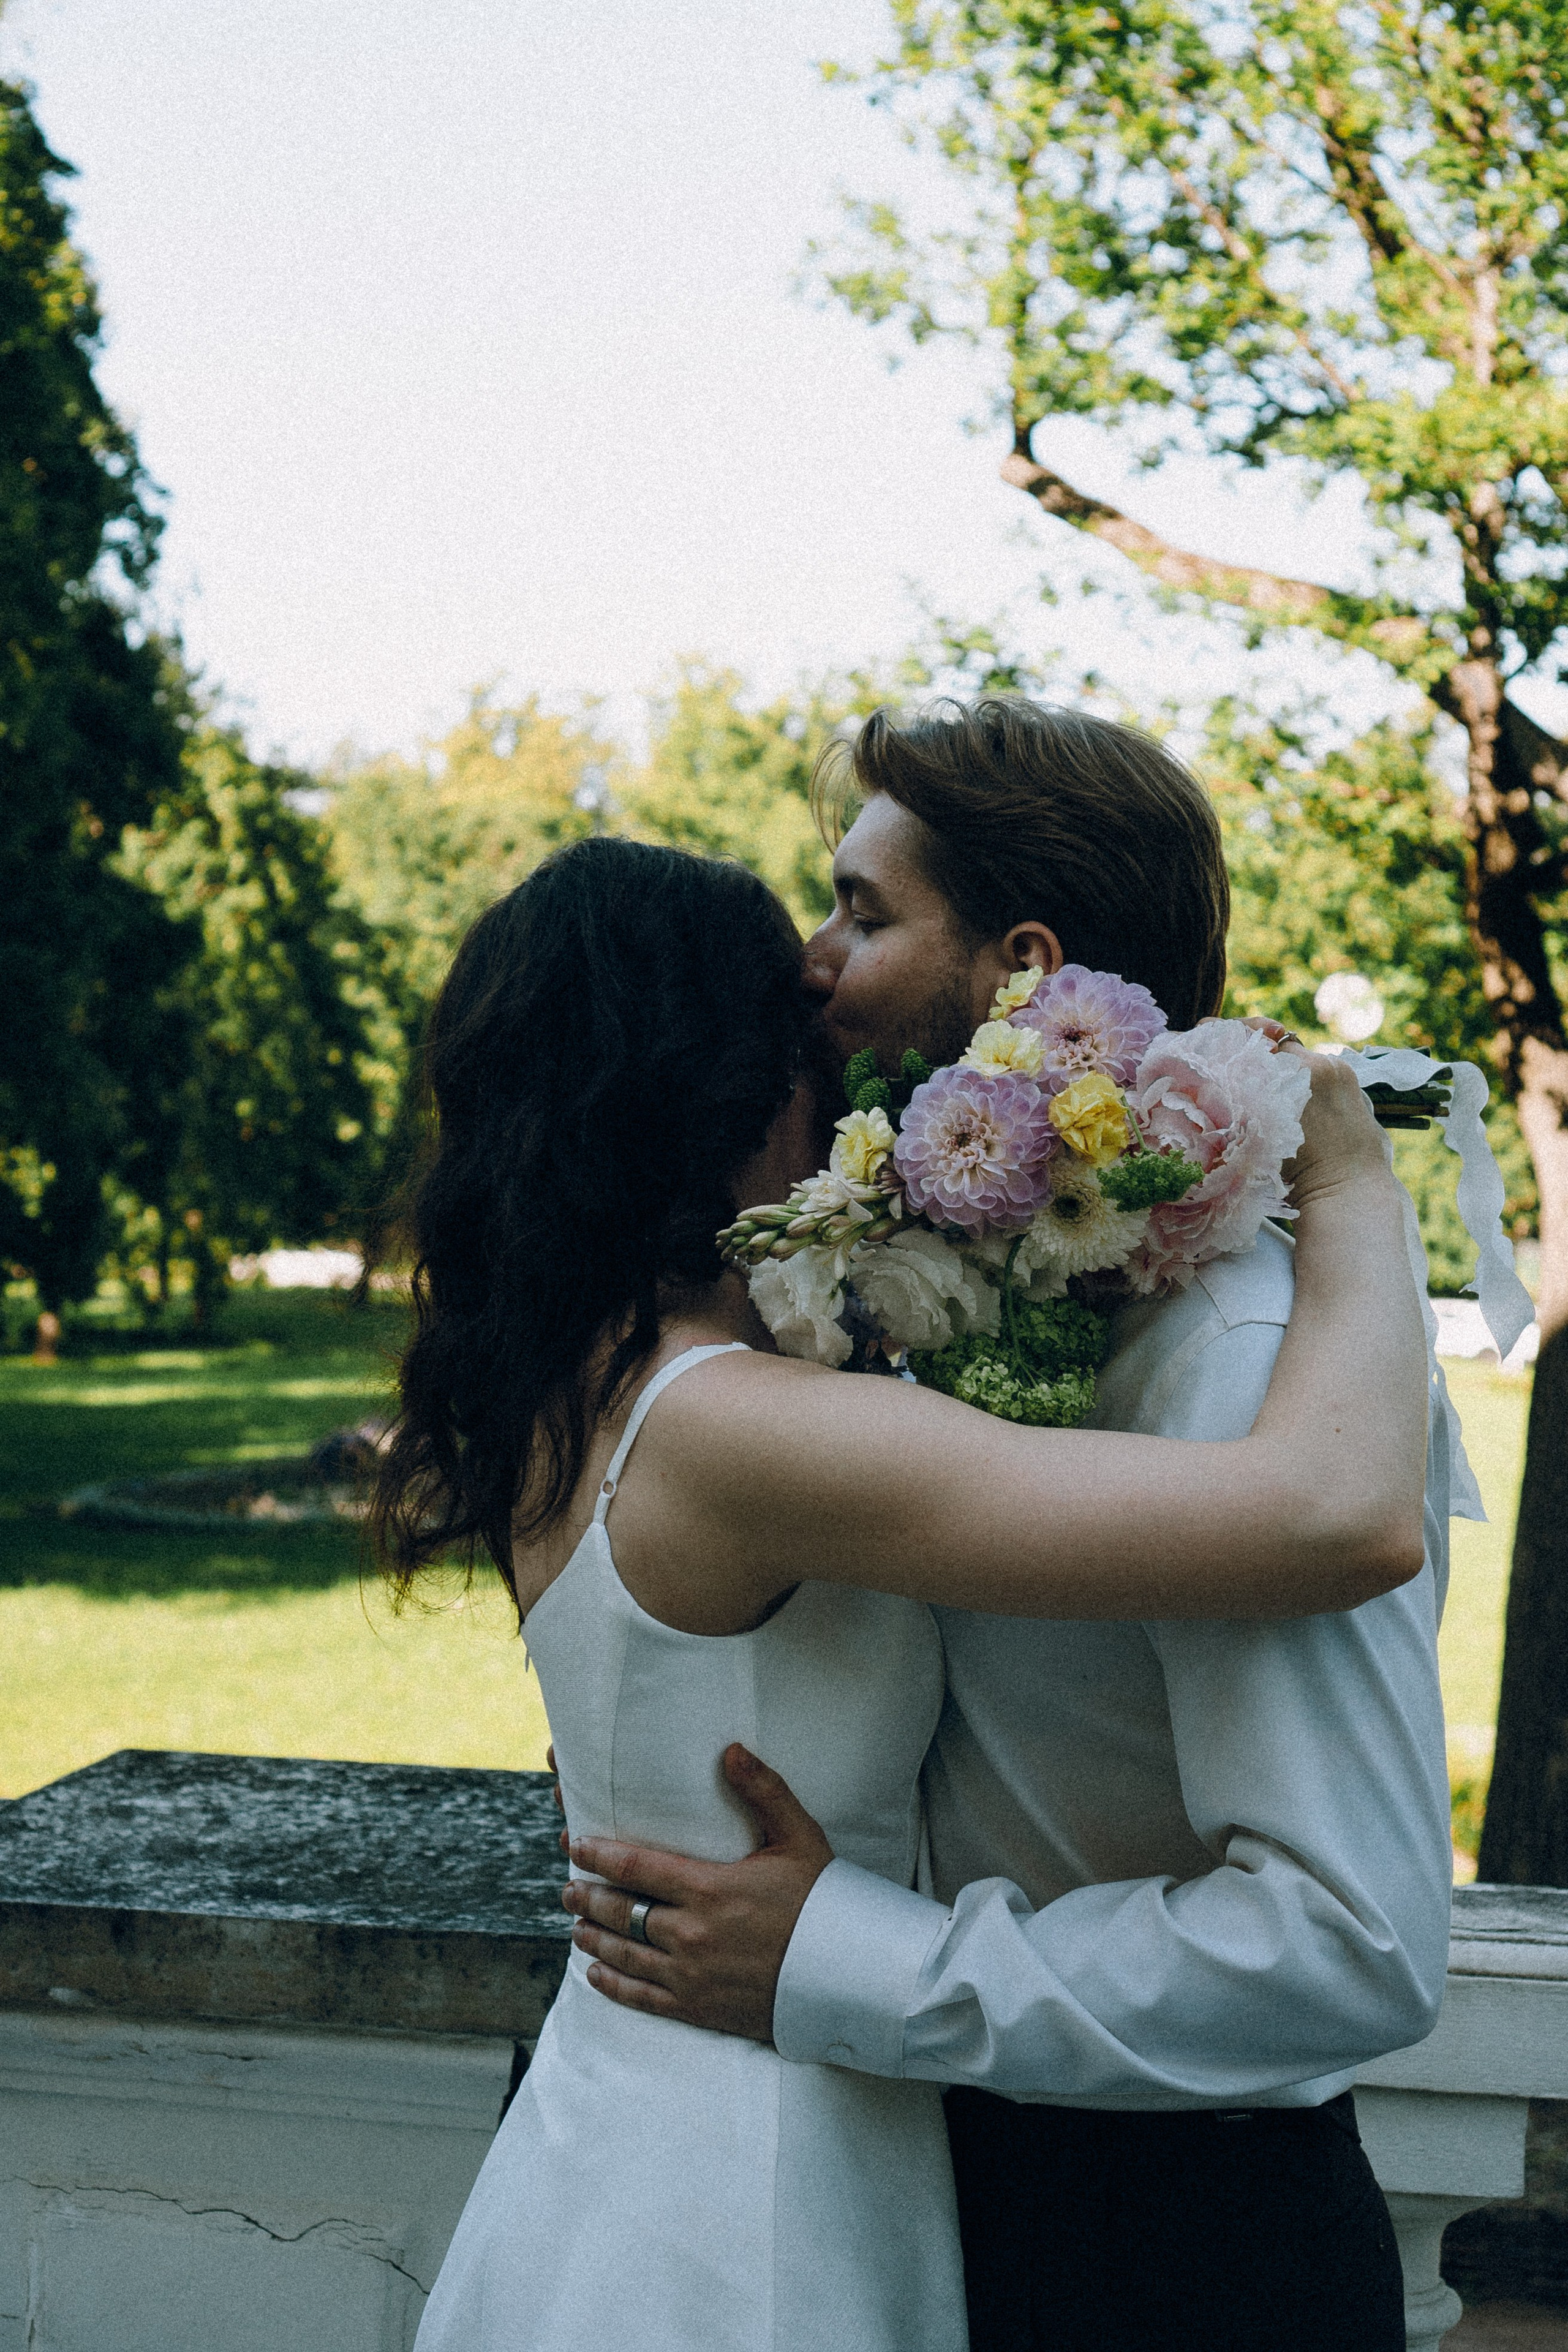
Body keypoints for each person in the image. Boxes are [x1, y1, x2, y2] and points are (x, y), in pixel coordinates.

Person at [378, 829, 1429, 2352]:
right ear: (743, 1083)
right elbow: (1336, 1516)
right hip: (757, 2160)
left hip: (636, 2102)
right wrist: (1346, 1176)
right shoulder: (738, 1428)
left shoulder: (580, 1377)